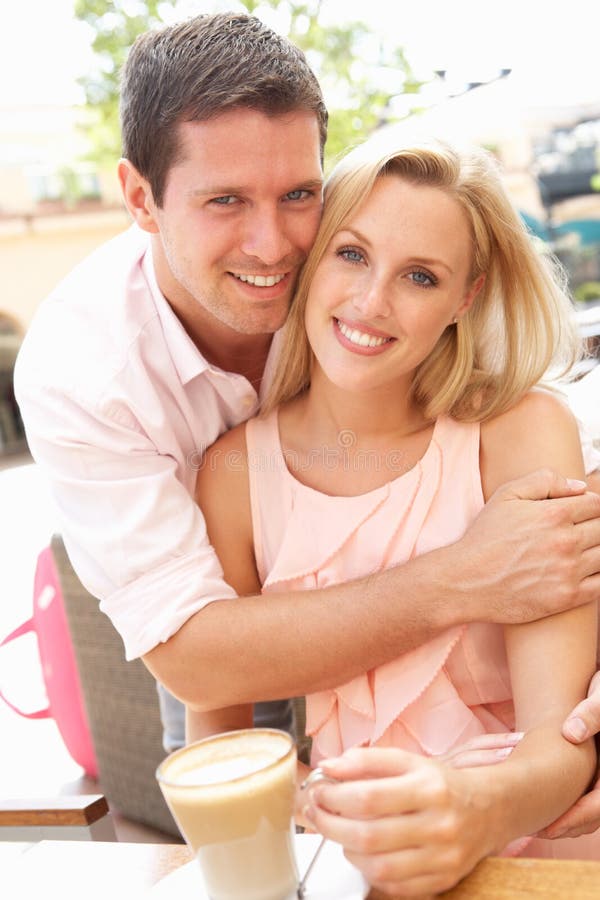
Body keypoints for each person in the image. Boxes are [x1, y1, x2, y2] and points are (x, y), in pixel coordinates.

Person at [12, 11, 600, 837]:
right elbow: (197, 657)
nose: (273, 245)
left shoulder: (354, 268)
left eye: (298, 195)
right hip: (224, 631)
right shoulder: (90, 370)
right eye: (224, 201)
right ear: (141, 198)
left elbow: (554, 473)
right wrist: (467, 574)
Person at [190, 132, 600, 894]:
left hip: (538, 851)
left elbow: (564, 744)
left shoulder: (521, 433)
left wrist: (476, 810)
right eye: (351, 254)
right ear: (311, 259)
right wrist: (310, 807)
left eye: (420, 276)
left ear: (464, 298)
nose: (372, 303)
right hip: (358, 865)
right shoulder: (233, 475)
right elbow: (219, 749)